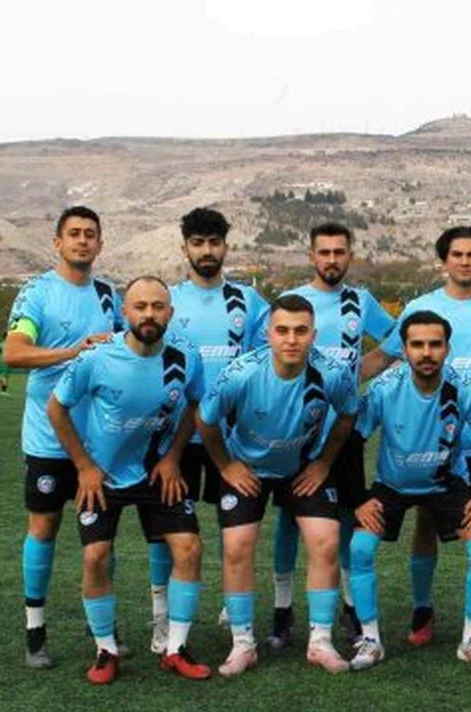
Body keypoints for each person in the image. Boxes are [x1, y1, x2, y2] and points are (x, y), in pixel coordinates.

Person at [360, 226, 471, 645]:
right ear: (444, 260)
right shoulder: (420, 307)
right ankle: (423, 610)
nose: (464, 261)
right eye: (457, 254)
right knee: (426, 522)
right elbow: (383, 357)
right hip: (430, 438)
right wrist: (334, 384)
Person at [46, 276, 211, 685]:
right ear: (125, 312)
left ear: (170, 313)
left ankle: (175, 649)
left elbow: (196, 402)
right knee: (95, 557)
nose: (149, 314)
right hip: (102, 474)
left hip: (157, 470)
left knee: (189, 548)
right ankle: (105, 650)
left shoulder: (186, 356)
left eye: (158, 306)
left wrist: (173, 456)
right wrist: (83, 466)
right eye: (140, 306)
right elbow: (56, 409)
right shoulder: (97, 358)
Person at [196, 294, 358, 676]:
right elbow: (205, 419)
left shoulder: (333, 373)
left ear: (313, 335)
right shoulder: (240, 373)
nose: (291, 339)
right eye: (282, 330)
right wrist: (227, 466)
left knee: (326, 541)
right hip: (248, 468)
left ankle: (320, 642)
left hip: (301, 467)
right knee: (237, 546)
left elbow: (348, 414)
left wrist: (323, 462)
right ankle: (243, 644)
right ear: (267, 334)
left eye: (301, 331)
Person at [3, 206, 132, 668]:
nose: (82, 240)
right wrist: (74, 352)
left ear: (100, 244)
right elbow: (14, 353)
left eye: (90, 234)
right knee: (44, 528)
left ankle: (102, 627)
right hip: (48, 438)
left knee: (101, 538)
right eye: (73, 233)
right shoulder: (37, 293)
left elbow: (127, 349)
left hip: (97, 441)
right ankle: (35, 630)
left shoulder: (108, 295)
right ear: (57, 242)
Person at [347, 311, 471, 670]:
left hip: (446, 483)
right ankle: (370, 641)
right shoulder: (384, 388)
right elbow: (353, 441)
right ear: (404, 349)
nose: (426, 353)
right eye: (417, 345)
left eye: (434, 344)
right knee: (359, 548)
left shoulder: (463, 389)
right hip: (392, 485)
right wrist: (359, 499)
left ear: (447, 348)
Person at [272, 222, 396, 649]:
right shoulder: (292, 302)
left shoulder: (361, 301)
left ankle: (350, 606)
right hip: (295, 432)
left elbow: (396, 339)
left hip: (344, 431)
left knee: (346, 517)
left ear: (349, 256)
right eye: (323, 252)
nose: (331, 259)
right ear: (311, 256)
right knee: (288, 520)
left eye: (339, 252)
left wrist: (358, 372)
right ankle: (282, 609)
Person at [167, 207, 268, 652]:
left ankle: (234, 605)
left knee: (237, 531)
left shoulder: (250, 302)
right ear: (185, 248)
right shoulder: (167, 301)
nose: (206, 251)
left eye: (214, 242)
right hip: (178, 438)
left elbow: (264, 364)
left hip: (234, 440)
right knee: (170, 533)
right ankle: (162, 618)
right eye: (198, 243)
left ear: (226, 247)